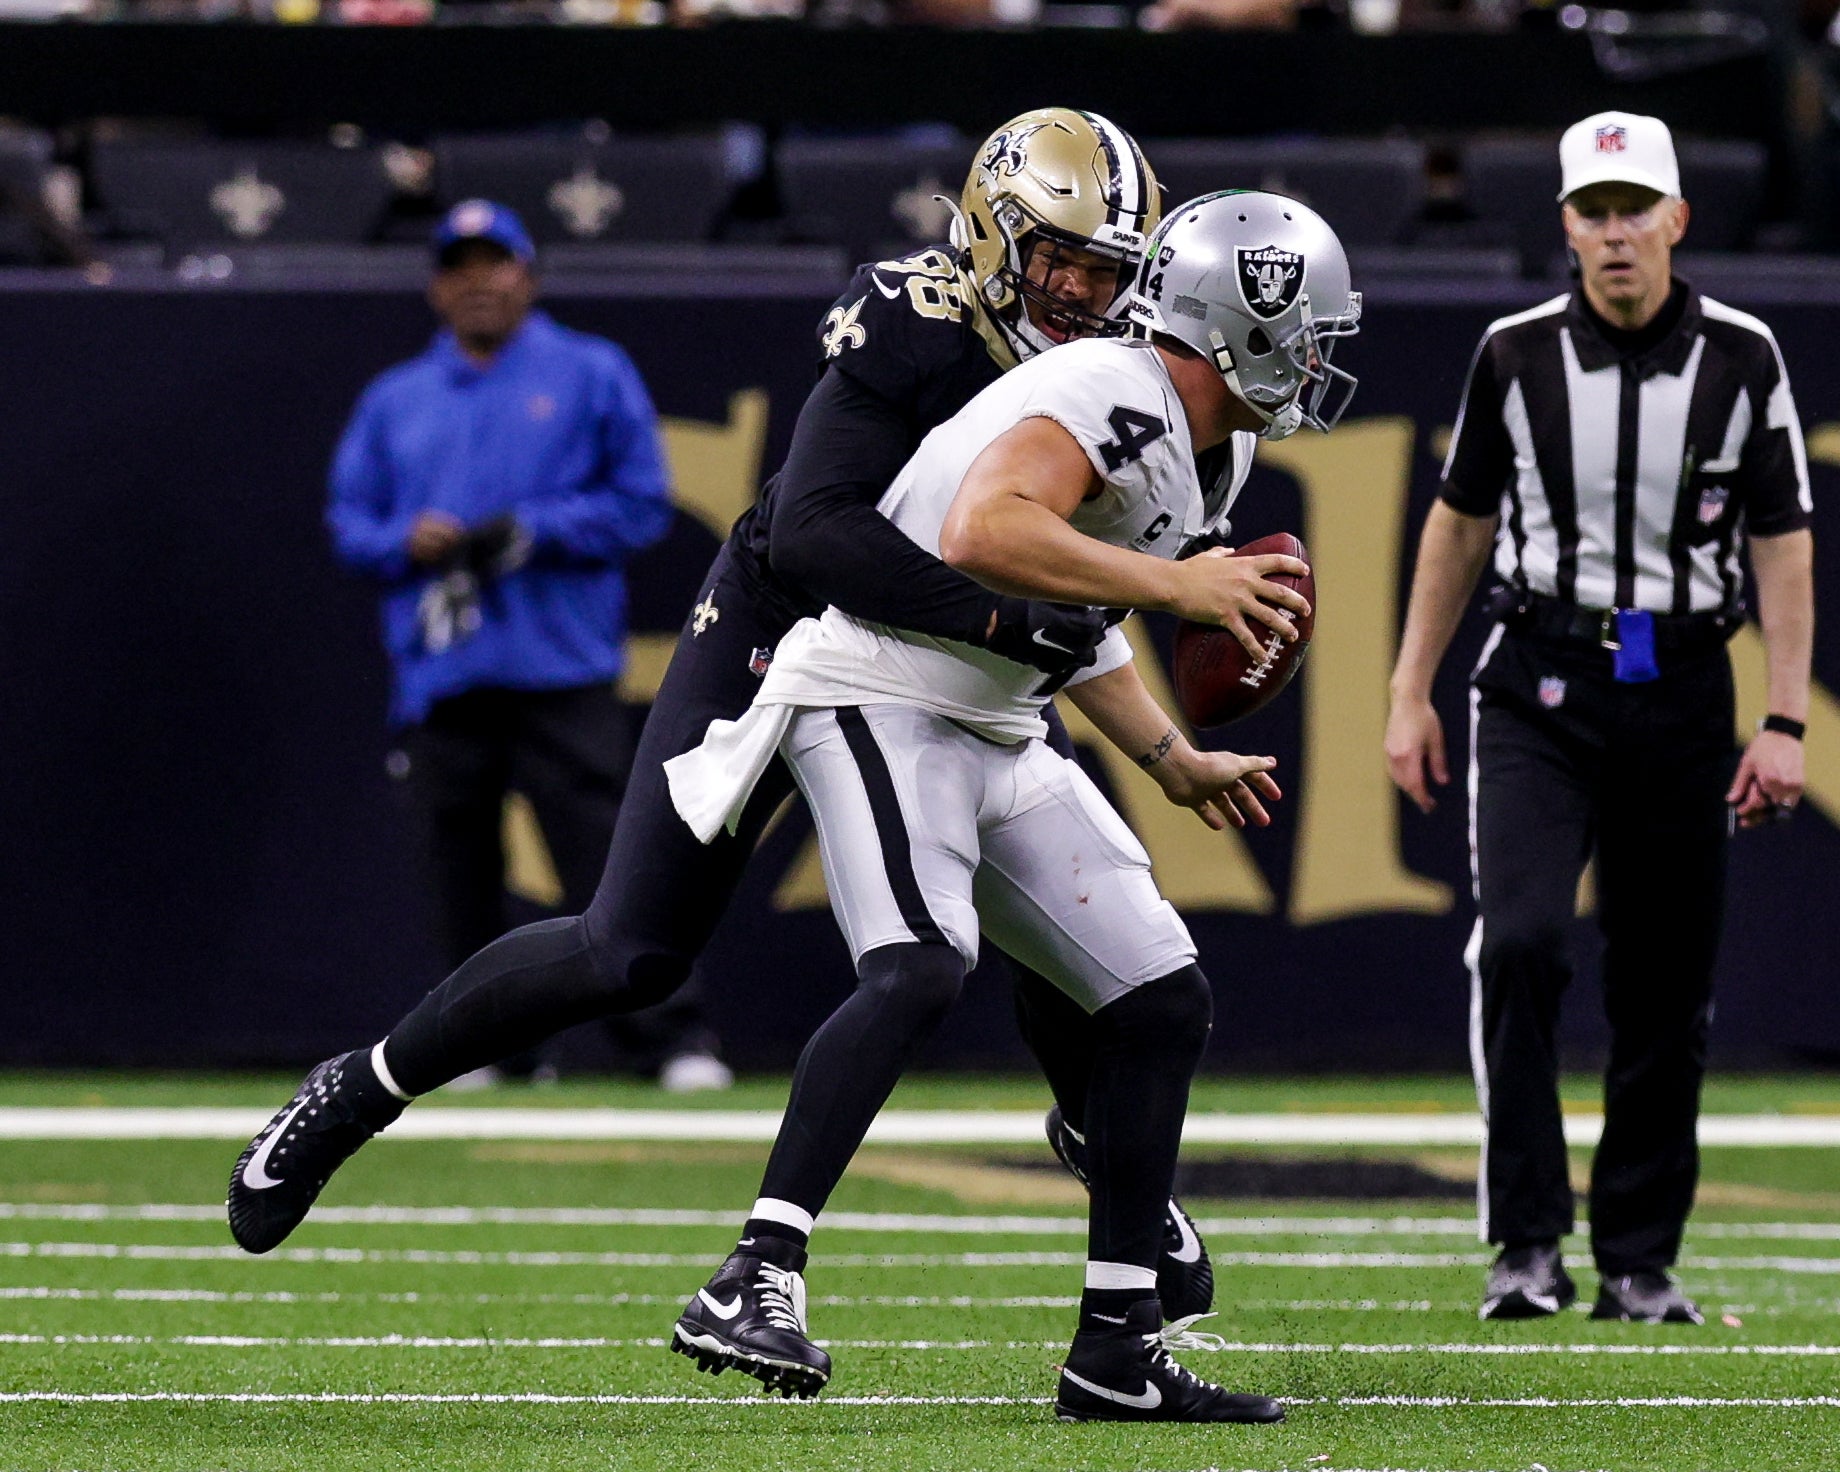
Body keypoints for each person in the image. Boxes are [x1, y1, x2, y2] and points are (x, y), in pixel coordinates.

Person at [230, 113, 1245, 1310]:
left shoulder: (1123, 380)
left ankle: (1101, 1147)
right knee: (630, 947)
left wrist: (1154, 732)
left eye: (1108, 268)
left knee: (1052, 912)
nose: (1080, 289)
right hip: (793, 630)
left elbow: (1068, 571)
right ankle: (360, 1088)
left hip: (959, 665)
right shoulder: (920, 322)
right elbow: (817, 529)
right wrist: (1002, 621)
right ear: (990, 236)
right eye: (1059, 258)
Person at [665, 190, 1360, 1420]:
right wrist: (1173, 584)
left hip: (993, 714)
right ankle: (753, 1271)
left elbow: (1079, 618)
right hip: (877, 682)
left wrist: (1166, 756)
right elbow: (991, 529)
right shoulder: (1112, 389)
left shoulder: (1218, 441)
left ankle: (1115, 1347)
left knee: (1158, 996)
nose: (1315, 355)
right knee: (921, 965)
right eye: (1303, 326)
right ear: (1240, 325)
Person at [1383, 112, 1814, 1324]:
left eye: (1636, 210)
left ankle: (1638, 1254)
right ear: (1565, 223)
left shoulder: (1743, 354)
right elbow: (1457, 520)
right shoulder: (1513, 353)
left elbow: (1782, 539)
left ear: (1678, 217)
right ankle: (1525, 1239)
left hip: (1681, 684)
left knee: (1665, 980)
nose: (1615, 235)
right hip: (1540, 679)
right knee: (1517, 943)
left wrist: (1782, 715)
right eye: (1594, 211)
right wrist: (1409, 685)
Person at [323, 198, 728, 1092]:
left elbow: (642, 502)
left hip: (559, 660)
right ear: (436, 287)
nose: (479, 281)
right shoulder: (398, 397)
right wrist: (406, 541)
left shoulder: (589, 370)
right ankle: (483, 1046)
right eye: (460, 266)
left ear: (528, 275)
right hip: (445, 670)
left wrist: (534, 531)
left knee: (610, 864)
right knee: (455, 867)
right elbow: (349, 525)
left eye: (495, 263)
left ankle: (669, 1039)